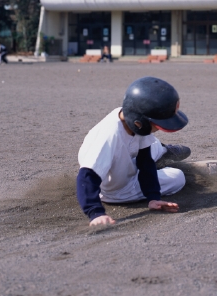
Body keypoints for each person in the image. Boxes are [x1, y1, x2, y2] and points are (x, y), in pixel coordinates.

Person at [76, 76, 191, 227]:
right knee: (178, 177)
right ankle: (161, 155)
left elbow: (145, 161)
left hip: (124, 166)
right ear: (138, 122)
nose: (158, 129)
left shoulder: (131, 118)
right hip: (116, 190)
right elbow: (86, 177)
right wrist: (95, 213)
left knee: (152, 144)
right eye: (157, 125)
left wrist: (153, 197)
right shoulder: (108, 137)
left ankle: (162, 151)